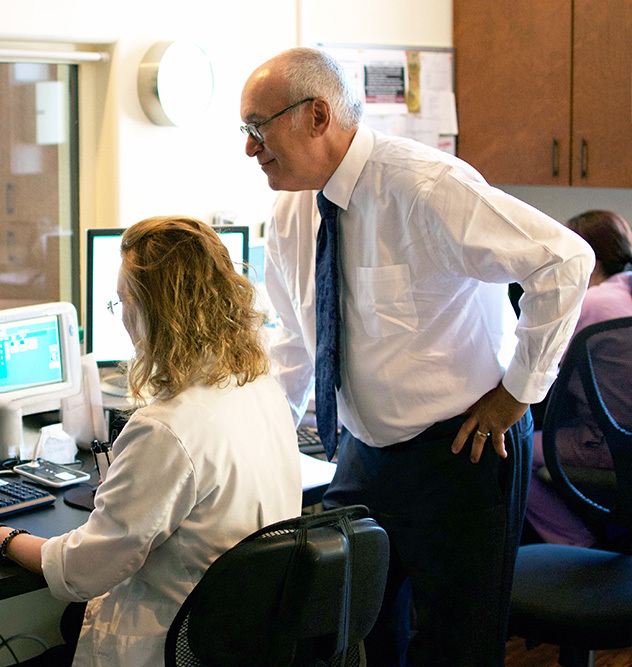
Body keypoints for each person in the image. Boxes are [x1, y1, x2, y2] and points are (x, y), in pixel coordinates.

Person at [240, 47, 594, 666]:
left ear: (317, 115)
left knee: (455, 648)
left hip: (462, 452)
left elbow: (565, 260)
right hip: (361, 454)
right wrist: (254, 439)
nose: (250, 149)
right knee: (360, 638)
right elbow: (299, 343)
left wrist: (517, 392)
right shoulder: (289, 211)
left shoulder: (426, 188)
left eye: (257, 129)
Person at [0, 215, 306, 666]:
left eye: (122, 303)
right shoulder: (261, 388)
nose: (121, 319)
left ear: (157, 312)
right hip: (235, 646)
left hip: (166, 650)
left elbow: (81, 570)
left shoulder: (167, 428)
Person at [526, 209, 632, 547]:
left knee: (510, 452)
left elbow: (535, 365)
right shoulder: (625, 291)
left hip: (607, 445)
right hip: (621, 438)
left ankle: (573, 541)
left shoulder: (590, 303)